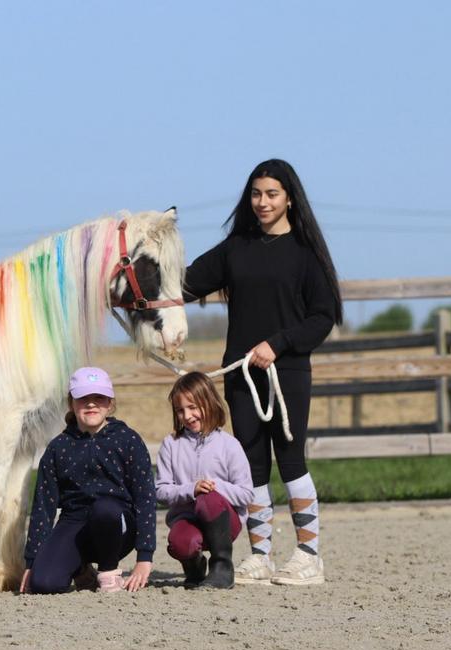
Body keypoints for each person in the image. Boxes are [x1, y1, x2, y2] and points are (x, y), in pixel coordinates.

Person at [182, 159, 343, 586]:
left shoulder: (306, 254)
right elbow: (185, 284)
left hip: (286, 372)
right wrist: (135, 290)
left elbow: (323, 316)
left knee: (291, 461)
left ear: (289, 198)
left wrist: (279, 344)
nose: (263, 202)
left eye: (272, 194)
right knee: (251, 465)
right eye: (256, 194)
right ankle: (260, 557)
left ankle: (308, 556)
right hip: (241, 376)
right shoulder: (235, 248)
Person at [20, 366, 157, 594]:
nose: (91, 404)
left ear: (110, 403)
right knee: (44, 583)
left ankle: (108, 572)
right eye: (83, 398)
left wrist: (145, 556)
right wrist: (32, 560)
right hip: (74, 522)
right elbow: (43, 507)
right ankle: (81, 569)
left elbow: (145, 498)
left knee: (104, 510)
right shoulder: (57, 448)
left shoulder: (128, 440)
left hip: (117, 524)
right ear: (71, 403)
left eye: (99, 398)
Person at [155, 371, 253, 589]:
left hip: (224, 523)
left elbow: (247, 494)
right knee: (180, 543)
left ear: (209, 402)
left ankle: (222, 566)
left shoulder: (229, 445)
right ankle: (194, 565)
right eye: (180, 410)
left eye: (193, 407)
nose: (187, 416)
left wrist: (214, 487)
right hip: (187, 518)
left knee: (208, 499)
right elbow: (160, 491)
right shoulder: (170, 444)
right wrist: (191, 489)